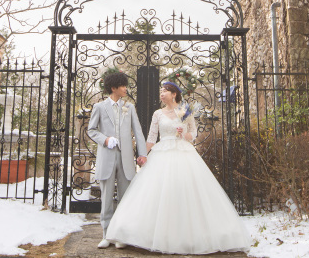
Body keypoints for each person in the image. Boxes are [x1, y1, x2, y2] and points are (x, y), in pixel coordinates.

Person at [105, 79, 251, 254]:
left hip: (183, 152)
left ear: (174, 94)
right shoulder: (158, 113)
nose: (161, 94)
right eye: (161, 91)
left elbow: (193, 133)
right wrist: (143, 154)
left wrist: (184, 134)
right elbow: (151, 137)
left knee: (186, 190)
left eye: (165, 91)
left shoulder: (184, 110)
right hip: (162, 153)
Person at [87, 70, 148, 249]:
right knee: (106, 198)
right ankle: (107, 235)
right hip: (107, 157)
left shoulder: (130, 107)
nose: (125, 89)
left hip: (126, 158)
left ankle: (122, 235)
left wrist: (142, 154)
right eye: (122, 86)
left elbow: (138, 131)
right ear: (113, 88)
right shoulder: (99, 107)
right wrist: (105, 140)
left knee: (125, 198)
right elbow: (91, 130)